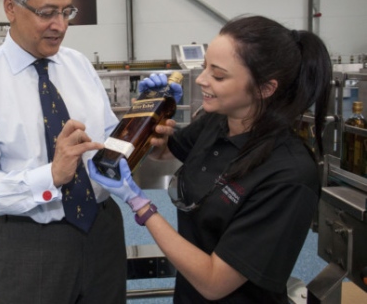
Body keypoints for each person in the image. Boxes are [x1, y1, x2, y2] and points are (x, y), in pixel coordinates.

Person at [88, 15, 333, 303]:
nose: (202, 79)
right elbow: (166, 151)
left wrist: (140, 205)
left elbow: (215, 282)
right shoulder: (218, 120)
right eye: (204, 67)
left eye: (218, 75)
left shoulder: (288, 174)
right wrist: (149, 116)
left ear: (265, 88)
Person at [0, 0, 126, 303]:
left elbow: (109, 141)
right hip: (30, 241)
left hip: (102, 231)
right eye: (47, 12)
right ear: (10, 8)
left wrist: (143, 130)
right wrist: (50, 176)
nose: (60, 25)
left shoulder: (78, 66)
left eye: (66, 12)